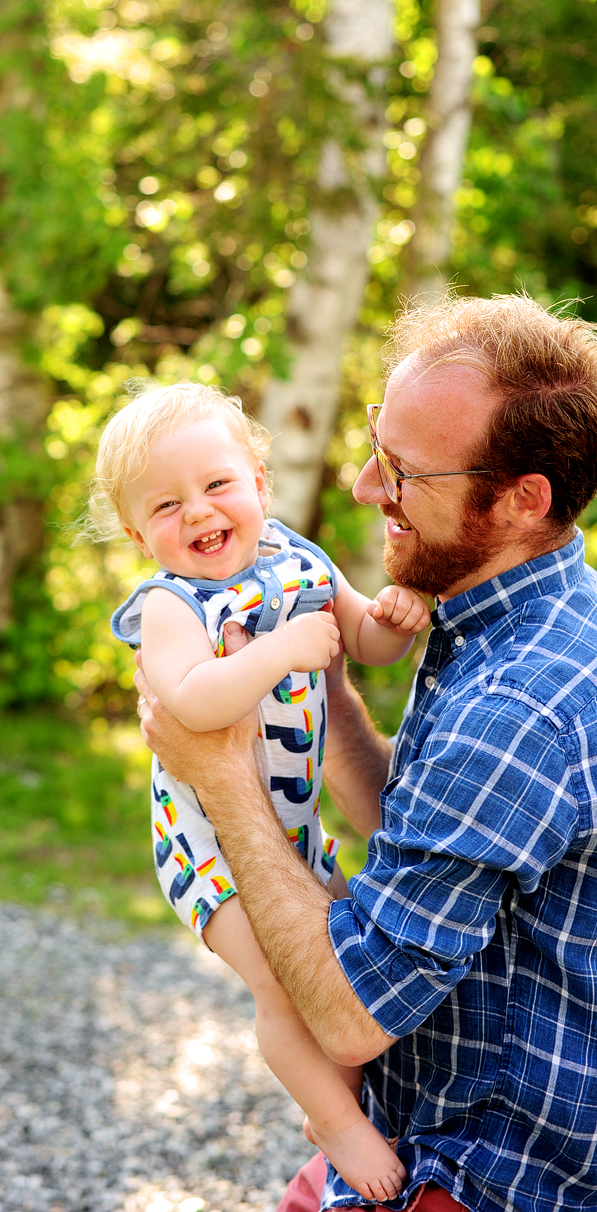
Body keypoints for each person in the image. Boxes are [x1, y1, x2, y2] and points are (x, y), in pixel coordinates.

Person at [133, 293, 597, 1212]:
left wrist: (220, 773)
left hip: (486, 1168)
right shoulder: (508, 617)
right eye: (375, 447)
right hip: (418, 1108)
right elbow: (427, 832)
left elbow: (347, 1018)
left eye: (402, 470)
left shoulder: (517, 707)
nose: (364, 487)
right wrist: (326, 692)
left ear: (520, 499)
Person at [92, 382, 430, 1202]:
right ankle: (343, 1130)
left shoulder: (297, 558)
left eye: (216, 485)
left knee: (337, 961)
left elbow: (360, 641)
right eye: (167, 506)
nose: (199, 512)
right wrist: (278, 654)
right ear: (141, 537)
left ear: (259, 484)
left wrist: (394, 614)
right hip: (204, 842)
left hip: (290, 834)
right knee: (280, 980)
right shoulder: (172, 608)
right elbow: (192, 703)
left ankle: (332, 1109)